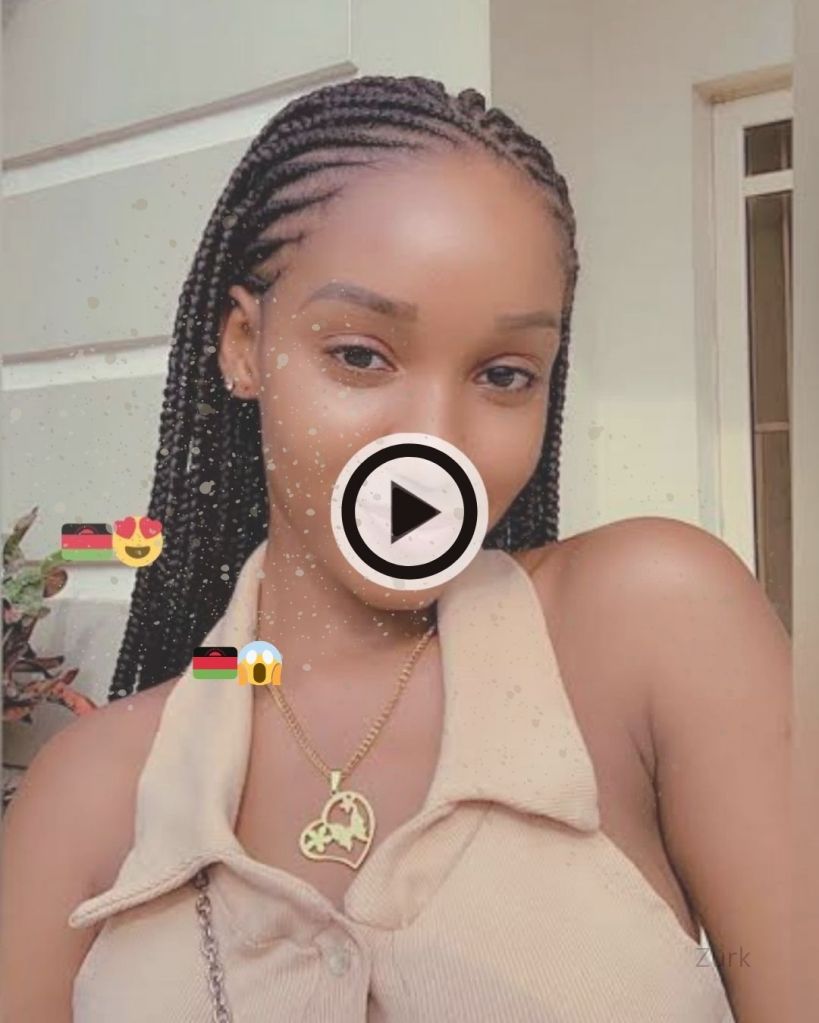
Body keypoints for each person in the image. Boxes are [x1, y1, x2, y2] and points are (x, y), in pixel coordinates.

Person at [0, 75, 790, 1022]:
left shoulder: (656, 623)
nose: (433, 442)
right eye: (360, 356)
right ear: (245, 345)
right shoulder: (87, 793)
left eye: (504, 375)